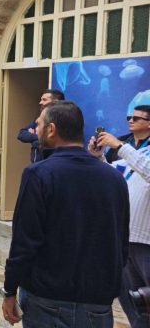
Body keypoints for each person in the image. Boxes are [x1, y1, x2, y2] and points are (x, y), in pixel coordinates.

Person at [2, 101, 129, 327]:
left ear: (51, 129)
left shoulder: (38, 174)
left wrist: (9, 289)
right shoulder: (114, 178)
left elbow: (25, 240)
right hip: (97, 299)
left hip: (47, 297)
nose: (35, 129)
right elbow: (121, 239)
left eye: (39, 124)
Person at [88, 104, 150, 328]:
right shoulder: (135, 151)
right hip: (125, 237)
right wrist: (98, 158)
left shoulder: (131, 150)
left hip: (146, 240)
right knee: (132, 300)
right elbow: (115, 174)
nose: (130, 121)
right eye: (129, 117)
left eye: (137, 118)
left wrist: (120, 146)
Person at [17, 89, 65, 163]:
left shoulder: (65, 119)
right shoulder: (40, 118)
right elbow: (21, 134)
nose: (40, 102)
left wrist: (36, 136)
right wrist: (40, 136)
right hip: (37, 164)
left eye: (44, 100)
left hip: (54, 163)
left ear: (55, 102)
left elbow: (57, 139)